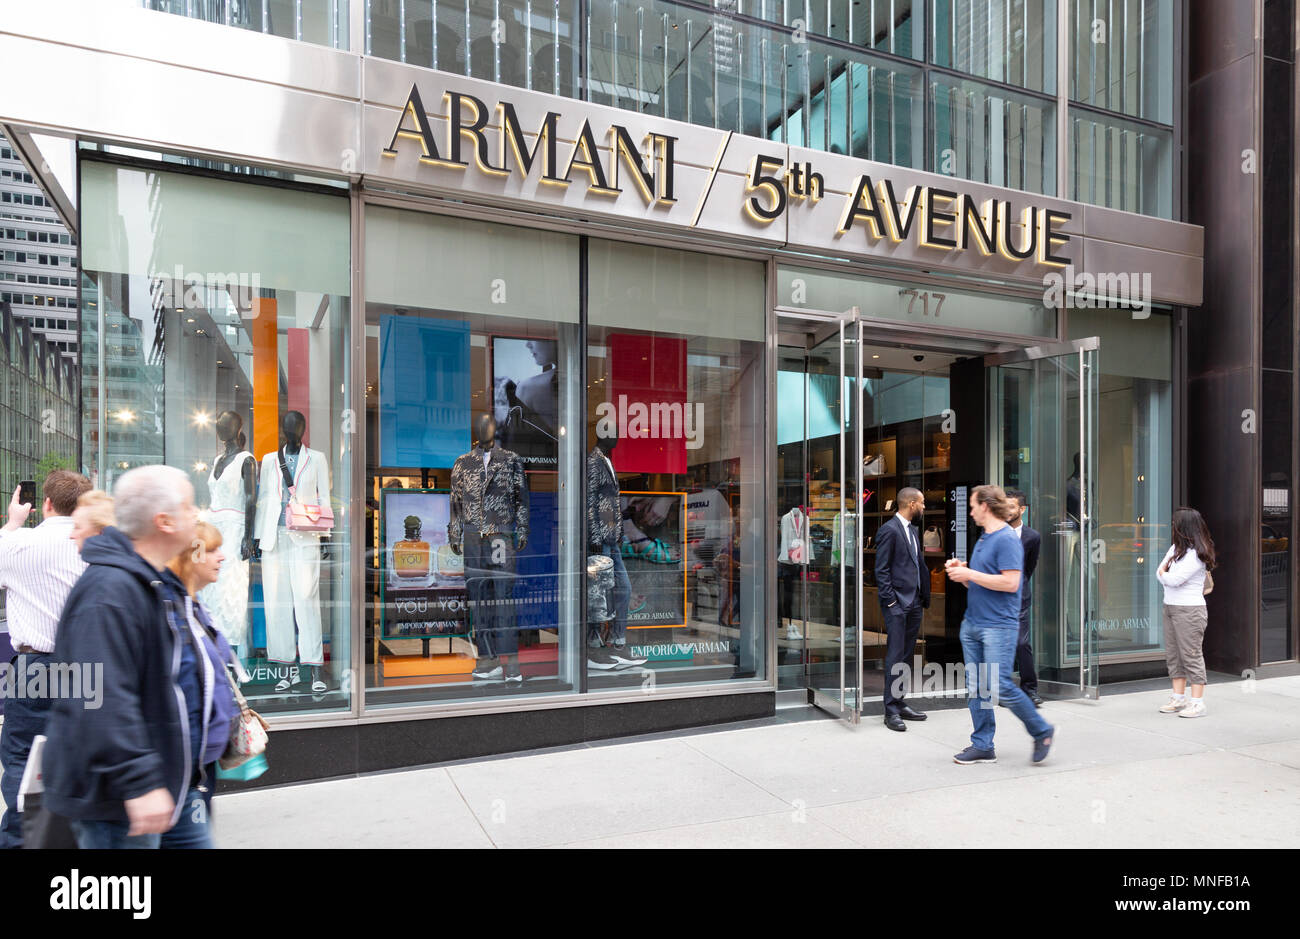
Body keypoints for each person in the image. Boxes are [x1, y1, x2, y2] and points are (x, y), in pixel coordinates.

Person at [42, 464, 204, 849]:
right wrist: (140, 782)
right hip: (121, 803)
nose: (197, 513)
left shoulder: (151, 581)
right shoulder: (110, 591)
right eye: (189, 505)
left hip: (165, 789)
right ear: (164, 521)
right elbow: (98, 697)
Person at [0, 470, 92, 847]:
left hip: (32, 665)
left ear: (46, 503)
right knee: (82, 756)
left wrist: (12, 523)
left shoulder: (17, 544)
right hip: (86, 666)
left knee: (22, 760)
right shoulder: (94, 547)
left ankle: (25, 839)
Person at [946, 485, 1055, 765]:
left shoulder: (1007, 539)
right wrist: (964, 574)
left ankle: (1041, 730)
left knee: (1000, 685)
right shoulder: (985, 538)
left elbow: (1011, 582)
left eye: (972, 506)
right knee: (978, 688)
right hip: (973, 624)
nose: (970, 511)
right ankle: (982, 744)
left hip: (998, 626)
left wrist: (969, 572)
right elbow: (984, 580)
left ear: (985, 506)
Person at [162, 520, 241, 848]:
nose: (221, 557)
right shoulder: (172, 611)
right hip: (184, 767)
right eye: (212, 550)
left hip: (201, 763)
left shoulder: (195, 607)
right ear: (190, 556)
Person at [875, 486, 930, 732]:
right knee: (895, 656)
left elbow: (917, 565)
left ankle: (900, 701)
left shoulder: (913, 530)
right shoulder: (889, 530)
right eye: (922, 503)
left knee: (907, 656)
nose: (924, 507)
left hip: (915, 602)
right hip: (897, 604)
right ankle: (891, 711)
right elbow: (881, 570)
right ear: (911, 504)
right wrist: (891, 604)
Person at [1156, 507, 1215, 718]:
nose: (1172, 527)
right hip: (1170, 607)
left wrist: (1165, 574)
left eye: (1175, 523)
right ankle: (1178, 698)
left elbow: (1173, 579)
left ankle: (1197, 703)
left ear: (1184, 527)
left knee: (1191, 655)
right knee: (1174, 656)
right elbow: (1160, 572)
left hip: (1190, 610)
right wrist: (1165, 575)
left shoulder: (1196, 555)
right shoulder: (1175, 550)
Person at [1006, 489, 1043, 708]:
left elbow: (1029, 567)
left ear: (1022, 509)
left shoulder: (1032, 537)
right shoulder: (994, 532)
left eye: (1011, 507)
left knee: (1021, 642)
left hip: (1019, 596)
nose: (1007, 511)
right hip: (996, 597)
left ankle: (1030, 688)